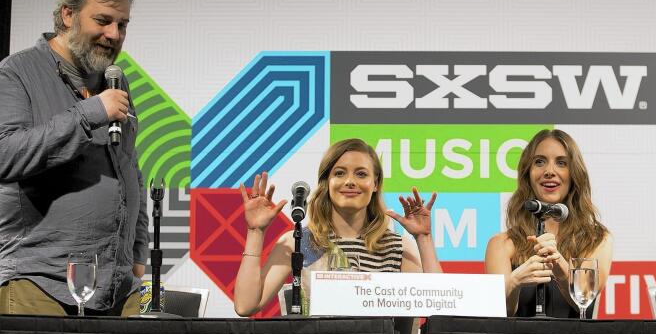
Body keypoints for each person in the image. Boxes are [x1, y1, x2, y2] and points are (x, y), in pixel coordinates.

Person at [0, 0, 147, 315]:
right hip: (40, 282)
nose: (113, 34)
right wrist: (90, 113)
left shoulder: (114, 81)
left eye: (122, 24)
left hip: (116, 286)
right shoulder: (17, 72)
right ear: (68, 14)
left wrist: (137, 252)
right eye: (103, 20)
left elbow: (129, 170)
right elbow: (5, 155)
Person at [234, 138, 442, 316]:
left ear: (375, 183)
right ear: (327, 182)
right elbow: (246, 305)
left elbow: (440, 310)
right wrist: (255, 232)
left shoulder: (398, 248)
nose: (350, 181)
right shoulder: (298, 242)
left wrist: (423, 238)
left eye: (361, 174)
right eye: (340, 173)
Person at [485, 129, 613, 317]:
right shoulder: (501, 244)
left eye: (561, 163)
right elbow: (499, 317)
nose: (549, 171)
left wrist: (559, 265)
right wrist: (514, 283)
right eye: (539, 162)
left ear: (574, 174)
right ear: (527, 173)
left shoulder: (597, 239)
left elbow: (585, 302)